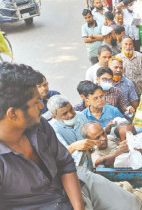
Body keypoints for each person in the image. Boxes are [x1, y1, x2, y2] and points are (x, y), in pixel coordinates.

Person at [0, 62, 84, 209]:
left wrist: (79, 207)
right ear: (12, 113)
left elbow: (65, 164)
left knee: (129, 202)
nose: (41, 106)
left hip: (71, 192)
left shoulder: (39, 125)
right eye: (36, 102)